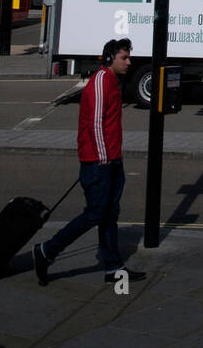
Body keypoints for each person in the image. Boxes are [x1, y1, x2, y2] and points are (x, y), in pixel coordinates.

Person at [33, 39, 146, 286]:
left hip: (112, 159)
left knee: (109, 215)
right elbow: (94, 123)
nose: (129, 62)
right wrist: (104, 158)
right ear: (109, 59)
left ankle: (114, 267)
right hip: (99, 162)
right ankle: (46, 251)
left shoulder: (111, 81)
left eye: (128, 57)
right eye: (124, 58)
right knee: (95, 214)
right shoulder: (101, 81)